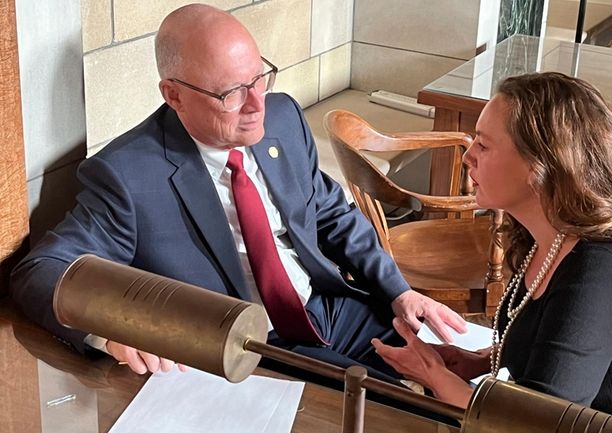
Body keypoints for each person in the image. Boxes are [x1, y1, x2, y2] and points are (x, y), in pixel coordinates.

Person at [10, 4, 465, 382]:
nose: (256, 103)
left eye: (258, 77)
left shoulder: (283, 118)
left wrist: (398, 291)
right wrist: (108, 328)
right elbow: (39, 271)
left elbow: (330, 214)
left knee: (467, 373)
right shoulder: (126, 176)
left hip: (330, 306)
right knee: (401, 409)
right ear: (174, 95)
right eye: (231, 92)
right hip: (256, 348)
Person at [372, 72, 612, 433]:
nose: (467, 157)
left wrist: (435, 376)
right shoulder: (545, 232)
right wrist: (476, 361)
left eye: (484, 146)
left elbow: (532, 426)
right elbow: (548, 337)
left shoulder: (603, 271)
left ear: (543, 165)